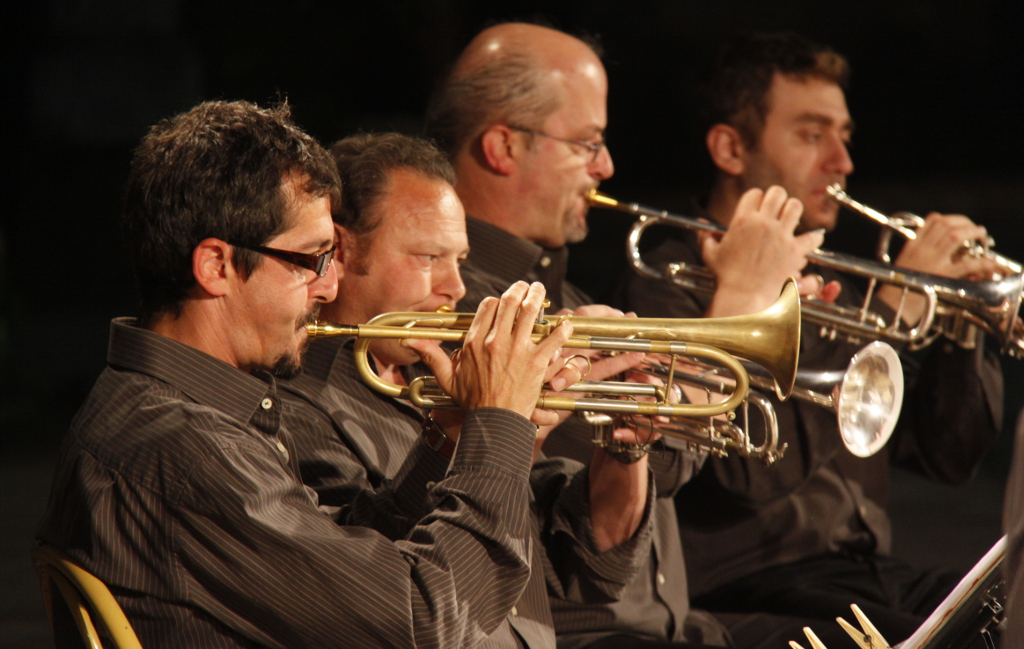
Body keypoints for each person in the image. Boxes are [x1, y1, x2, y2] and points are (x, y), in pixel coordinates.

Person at [35, 99, 577, 649]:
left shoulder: (169, 409)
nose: (330, 287)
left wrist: (451, 433)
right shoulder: (181, 448)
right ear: (216, 266)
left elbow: (348, 554)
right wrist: (501, 420)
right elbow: (425, 622)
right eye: (311, 260)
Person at [425, 21, 859, 649]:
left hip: (680, 628)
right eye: (587, 143)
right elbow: (668, 457)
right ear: (502, 147)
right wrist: (735, 305)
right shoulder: (467, 312)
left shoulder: (568, 300)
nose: (606, 165)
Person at [614, 32, 1004, 644]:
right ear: (730, 148)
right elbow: (741, 476)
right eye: (811, 133)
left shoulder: (839, 283)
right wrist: (893, 313)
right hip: (754, 587)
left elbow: (947, 456)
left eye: (843, 134)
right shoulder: (670, 287)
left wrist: (960, 322)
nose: (842, 161)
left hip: (867, 574)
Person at [279, 132, 658, 649]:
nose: (455, 288)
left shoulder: (441, 377)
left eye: (459, 259)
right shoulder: (297, 403)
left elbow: (588, 567)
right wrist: (497, 425)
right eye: (429, 257)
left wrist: (624, 443)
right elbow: (384, 579)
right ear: (340, 252)